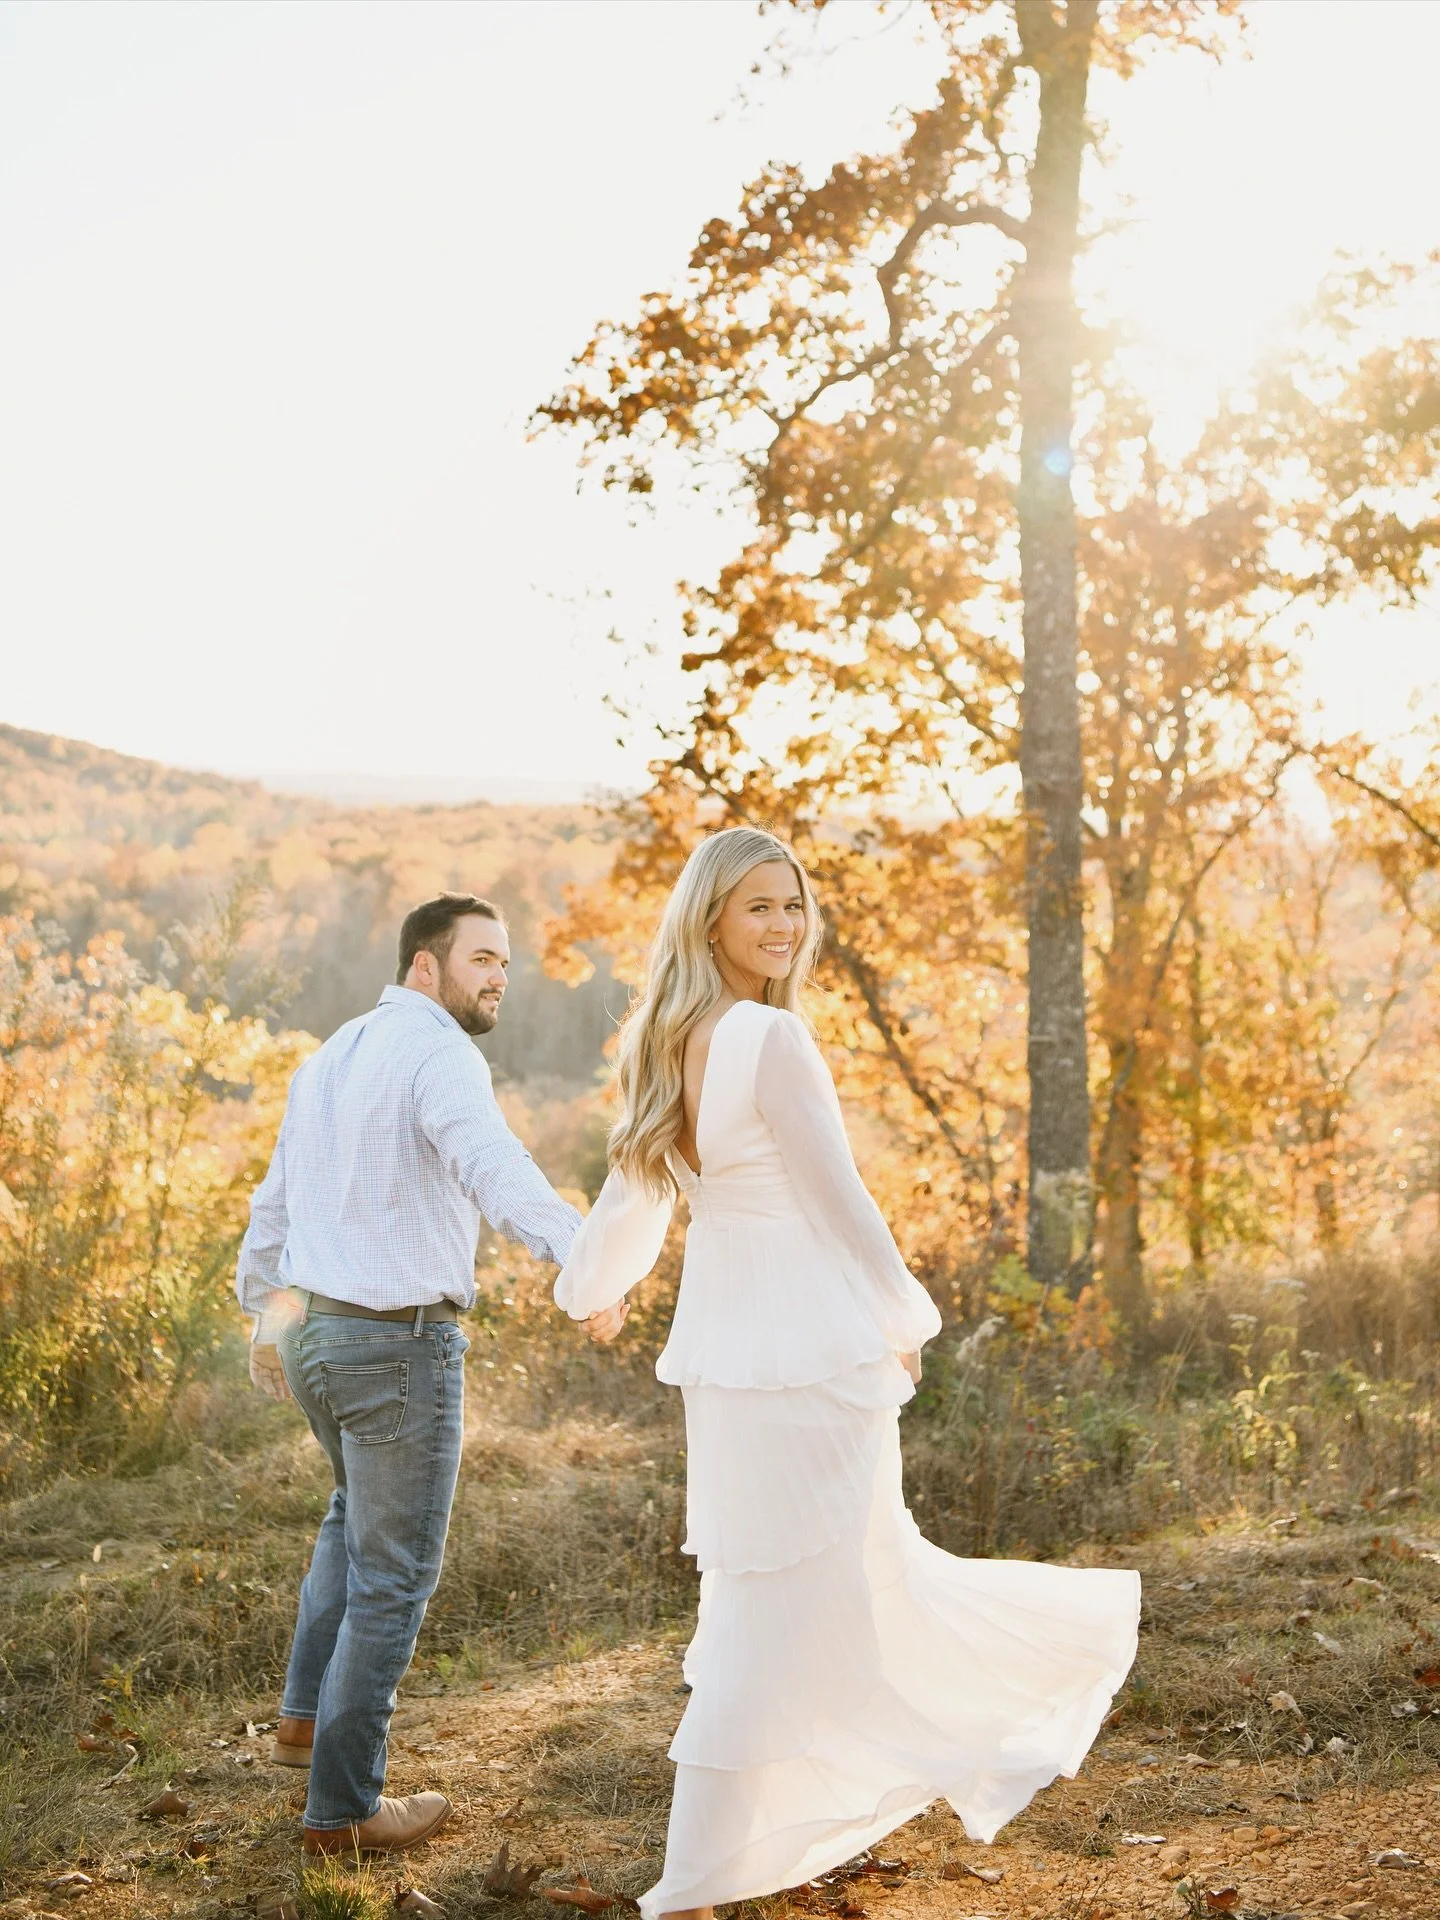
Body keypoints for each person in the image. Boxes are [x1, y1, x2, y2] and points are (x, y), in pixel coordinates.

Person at [555, 828, 1140, 1920]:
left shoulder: (662, 1034)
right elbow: (838, 1198)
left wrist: (596, 1284)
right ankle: (725, 1855)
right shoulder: (768, 1038)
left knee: (788, 1584)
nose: (782, 926)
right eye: (758, 908)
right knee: (825, 1584)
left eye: (792, 905)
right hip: (807, 1345)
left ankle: (729, 1851)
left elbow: (636, 1198)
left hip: (735, 1352)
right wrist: (901, 1312)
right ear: (711, 920)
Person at [238, 893, 581, 1857]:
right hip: (397, 1348)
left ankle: (303, 1723)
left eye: (506, 962)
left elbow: (275, 1202)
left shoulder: (330, 1054)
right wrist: (582, 1254)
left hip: (319, 1339)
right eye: (481, 959)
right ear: (424, 967)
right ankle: (343, 1809)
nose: (499, 976)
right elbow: (493, 1164)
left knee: (351, 1520)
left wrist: (264, 1321)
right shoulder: (440, 1054)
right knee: (394, 1576)